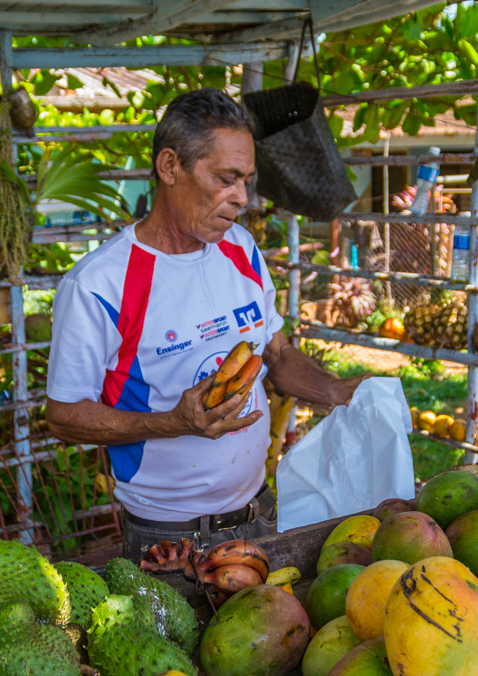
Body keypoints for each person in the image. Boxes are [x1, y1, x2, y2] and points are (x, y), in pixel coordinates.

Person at [46, 88, 370, 561]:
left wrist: (336, 391)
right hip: (168, 534)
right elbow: (63, 415)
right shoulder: (100, 284)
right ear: (170, 167)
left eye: (246, 180)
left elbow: (275, 355)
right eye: (226, 178)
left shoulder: (240, 249)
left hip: (259, 512)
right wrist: (172, 423)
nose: (241, 197)